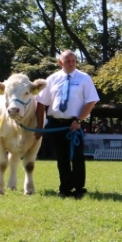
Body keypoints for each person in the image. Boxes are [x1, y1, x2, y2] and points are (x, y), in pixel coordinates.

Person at [35, 49, 100, 198]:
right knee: (61, 157)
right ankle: (65, 188)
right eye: (67, 61)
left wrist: (78, 121)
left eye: (73, 61)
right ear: (60, 63)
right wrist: (39, 127)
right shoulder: (51, 79)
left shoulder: (84, 78)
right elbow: (40, 103)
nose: (71, 63)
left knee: (77, 157)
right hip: (56, 124)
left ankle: (78, 189)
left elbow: (91, 101)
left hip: (74, 125)